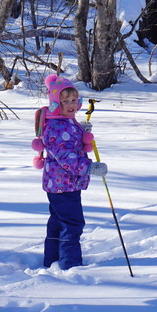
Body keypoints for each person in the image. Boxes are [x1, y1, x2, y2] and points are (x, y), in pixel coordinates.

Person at [31, 74, 107, 269]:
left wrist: (81, 131)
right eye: (65, 101)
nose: (71, 104)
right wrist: (89, 167)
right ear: (56, 103)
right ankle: (70, 264)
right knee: (72, 224)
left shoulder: (64, 121)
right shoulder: (57, 126)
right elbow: (65, 155)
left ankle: (52, 260)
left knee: (58, 222)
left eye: (74, 100)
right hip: (63, 184)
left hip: (61, 184)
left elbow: (70, 143)